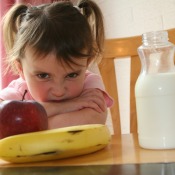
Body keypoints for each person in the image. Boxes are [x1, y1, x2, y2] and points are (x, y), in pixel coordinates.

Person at [0, 0, 113, 129]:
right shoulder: (19, 91)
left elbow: (93, 119)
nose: (59, 91)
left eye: (72, 75)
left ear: (87, 63)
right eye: (43, 75)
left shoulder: (89, 84)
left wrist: (21, 124)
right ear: (20, 69)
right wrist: (66, 106)